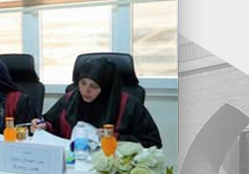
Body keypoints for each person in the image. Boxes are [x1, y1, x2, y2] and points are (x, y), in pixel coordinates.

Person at [32, 57, 162, 148]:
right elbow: (53, 124)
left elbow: (152, 143)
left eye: (94, 86)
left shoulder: (129, 105)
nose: (86, 91)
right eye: (83, 83)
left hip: (112, 165)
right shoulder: (70, 98)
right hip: (73, 161)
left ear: (105, 87)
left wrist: (115, 137)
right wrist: (43, 126)